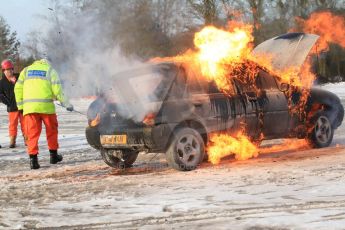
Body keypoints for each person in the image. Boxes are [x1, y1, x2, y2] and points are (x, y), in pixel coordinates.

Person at [14, 59, 74, 169]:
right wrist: (67, 104)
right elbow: (58, 91)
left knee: (32, 134)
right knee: (52, 131)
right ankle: (53, 156)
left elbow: (17, 89)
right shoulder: (50, 70)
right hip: (47, 108)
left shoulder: (26, 70)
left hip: (30, 109)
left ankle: (33, 161)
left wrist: (21, 106)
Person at [0, 59, 25, 148]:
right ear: (3, 71)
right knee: (13, 125)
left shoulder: (19, 77)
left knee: (25, 123)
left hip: (22, 106)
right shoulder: (2, 82)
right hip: (12, 107)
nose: (10, 71)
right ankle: (12, 140)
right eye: (7, 69)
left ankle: (27, 139)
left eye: (11, 69)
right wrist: (7, 102)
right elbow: (0, 94)